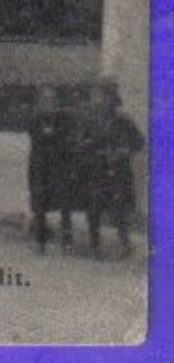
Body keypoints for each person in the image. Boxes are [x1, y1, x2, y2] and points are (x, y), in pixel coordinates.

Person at [77, 80, 144, 259]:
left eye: (107, 98)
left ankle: (124, 243)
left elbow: (138, 142)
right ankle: (94, 245)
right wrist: (90, 147)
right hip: (97, 168)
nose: (103, 101)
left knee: (119, 207)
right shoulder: (89, 120)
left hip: (118, 169)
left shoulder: (124, 120)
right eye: (99, 97)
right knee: (94, 207)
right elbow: (80, 143)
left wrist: (125, 150)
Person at [26, 85, 76, 254]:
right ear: (40, 102)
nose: (50, 103)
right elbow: (36, 135)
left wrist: (53, 135)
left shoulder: (63, 118)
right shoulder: (35, 117)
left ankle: (67, 238)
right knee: (39, 198)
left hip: (59, 162)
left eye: (53, 99)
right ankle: (40, 239)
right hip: (40, 162)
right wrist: (50, 134)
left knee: (64, 199)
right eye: (46, 100)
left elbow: (66, 136)